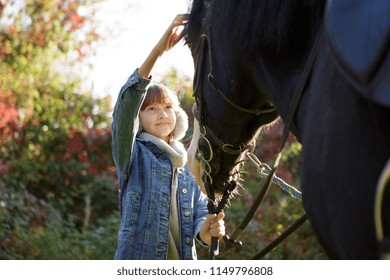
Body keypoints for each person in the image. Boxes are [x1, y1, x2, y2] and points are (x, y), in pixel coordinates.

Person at [111, 14, 225, 260]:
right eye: (151, 109)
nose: (162, 114)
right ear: (138, 119)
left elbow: (199, 222)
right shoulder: (131, 154)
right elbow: (128, 103)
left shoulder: (188, 164)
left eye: (167, 107)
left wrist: (207, 231)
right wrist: (158, 51)